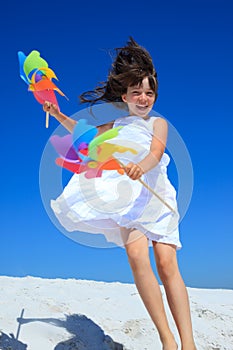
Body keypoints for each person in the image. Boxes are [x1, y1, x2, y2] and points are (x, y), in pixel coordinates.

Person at [43, 37, 196, 350]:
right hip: (126, 199)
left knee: (167, 265)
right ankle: (167, 341)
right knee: (137, 256)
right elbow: (83, 134)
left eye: (149, 93)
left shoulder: (158, 123)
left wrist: (141, 164)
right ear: (124, 95)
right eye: (137, 92)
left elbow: (154, 154)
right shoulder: (114, 124)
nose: (143, 98)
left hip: (156, 195)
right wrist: (57, 114)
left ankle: (188, 342)